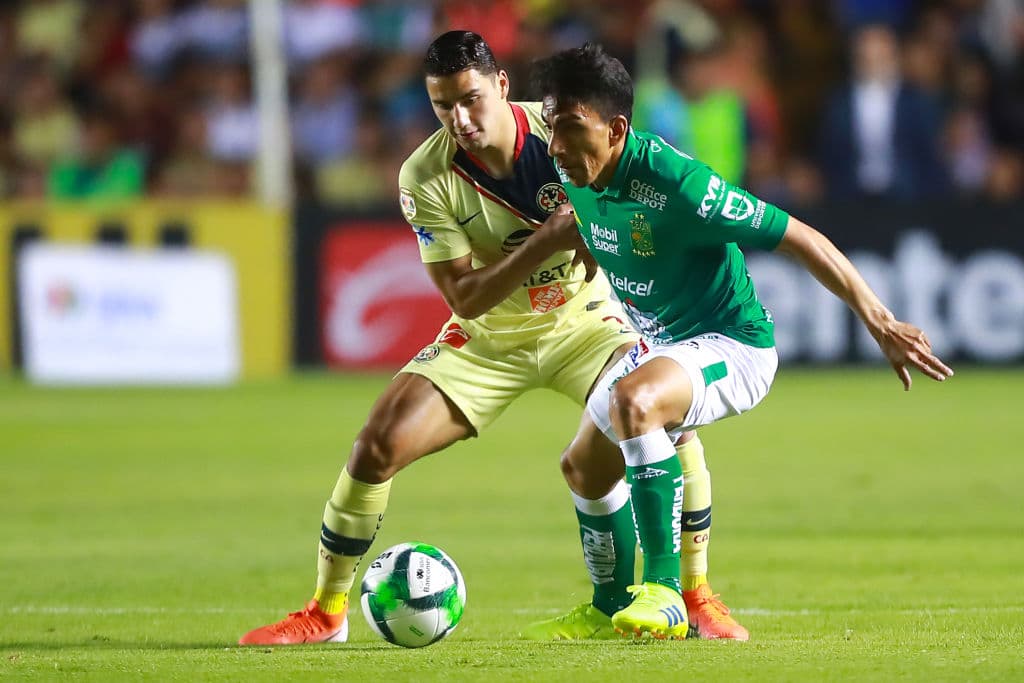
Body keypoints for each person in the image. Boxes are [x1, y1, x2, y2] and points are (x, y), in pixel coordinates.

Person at [239, 31, 748, 647]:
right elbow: (465, 297)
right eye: (443, 106)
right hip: (489, 336)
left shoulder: (562, 126)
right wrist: (549, 240)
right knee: (375, 445)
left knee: (663, 416)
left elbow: (636, 185)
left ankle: (694, 596)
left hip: (586, 319)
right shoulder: (425, 176)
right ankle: (326, 612)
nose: (460, 119)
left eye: (471, 99)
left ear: (502, 86)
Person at [530, 43, 954, 640]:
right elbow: (592, 231)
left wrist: (879, 319)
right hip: (659, 344)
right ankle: (608, 605)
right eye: (551, 128)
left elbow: (799, 235)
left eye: (570, 129)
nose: (555, 146)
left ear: (617, 128)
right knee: (583, 469)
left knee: (635, 401)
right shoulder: (574, 172)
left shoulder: (678, 183)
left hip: (732, 346)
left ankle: (665, 593)